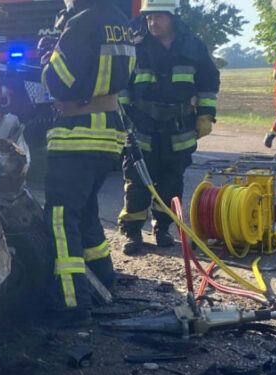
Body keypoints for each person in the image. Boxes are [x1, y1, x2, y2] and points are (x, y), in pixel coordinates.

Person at [37, 0, 136, 326]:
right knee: (85, 213)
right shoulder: (120, 21)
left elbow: (58, 82)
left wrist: (49, 58)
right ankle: (102, 280)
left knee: (61, 219)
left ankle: (72, 304)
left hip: (77, 135)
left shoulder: (81, 22)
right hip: (107, 134)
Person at [116, 0, 219, 255]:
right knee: (137, 180)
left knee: (171, 182)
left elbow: (208, 82)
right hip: (142, 126)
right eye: (149, 18)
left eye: (158, 17)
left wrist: (205, 115)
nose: (152, 23)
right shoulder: (136, 45)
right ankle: (133, 232)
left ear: (173, 17)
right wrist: (124, 120)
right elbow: (123, 85)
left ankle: (162, 228)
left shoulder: (193, 47)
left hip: (179, 127)